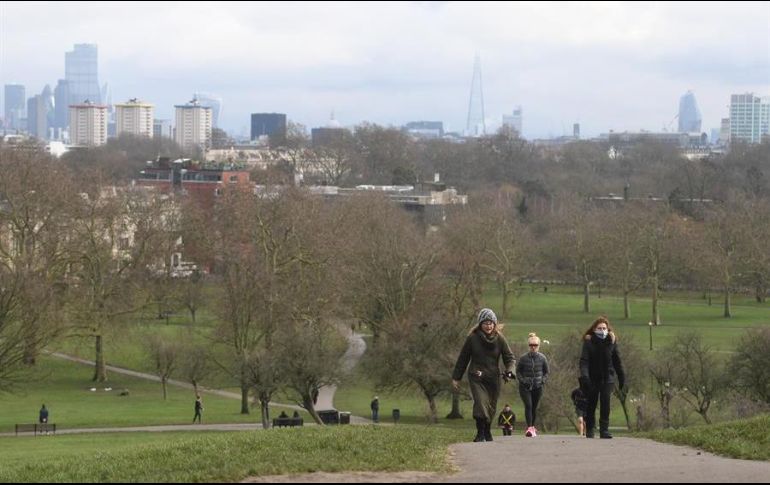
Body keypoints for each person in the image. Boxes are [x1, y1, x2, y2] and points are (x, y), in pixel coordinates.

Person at [452, 308, 516, 443]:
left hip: (493, 378)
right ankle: (480, 432)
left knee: (491, 406)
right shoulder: (472, 338)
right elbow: (463, 358)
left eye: (491, 323)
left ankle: (487, 429)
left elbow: (510, 358)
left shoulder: (500, 339)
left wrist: (510, 371)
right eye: (486, 323)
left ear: (495, 324)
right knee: (481, 403)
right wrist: (456, 377)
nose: (489, 326)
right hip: (477, 376)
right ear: (480, 324)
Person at [579, 316, 625, 439]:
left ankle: (604, 430)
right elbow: (584, 361)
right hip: (592, 378)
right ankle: (590, 429)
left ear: (608, 329)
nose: (602, 330)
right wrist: (584, 376)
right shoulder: (588, 342)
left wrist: (622, 377)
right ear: (594, 329)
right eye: (599, 328)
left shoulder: (612, 341)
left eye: (604, 328)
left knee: (606, 403)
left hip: (607, 378)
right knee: (591, 403)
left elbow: (617, 361)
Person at [516, 333, 549, 437]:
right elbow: (518, 372)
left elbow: (546, 372)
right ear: (528, 346)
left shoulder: (543, 358)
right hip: (525, 387)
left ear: (539, 346)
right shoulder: (523, 358)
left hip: (538, 386)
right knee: (528, 405)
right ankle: (529, 428)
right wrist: (522, 381)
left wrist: (542, 380)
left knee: (534, 407)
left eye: (535, 345)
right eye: (531, 345)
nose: (533, 347)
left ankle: (533, 427)